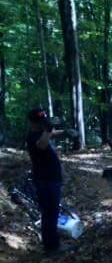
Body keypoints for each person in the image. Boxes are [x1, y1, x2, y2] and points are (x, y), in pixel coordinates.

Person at [25, 108, 70, 253]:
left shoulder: (40, 132)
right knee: (50, 213)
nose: (42, 124)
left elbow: (51, 135)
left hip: (51, 179)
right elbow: (42, 144)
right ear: (33, 122)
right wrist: (48, 129)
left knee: (52, 212)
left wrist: (65, 132)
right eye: (40, 122)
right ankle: (52, 246)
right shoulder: (33, 136)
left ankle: (51, 243)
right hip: (45, 180)